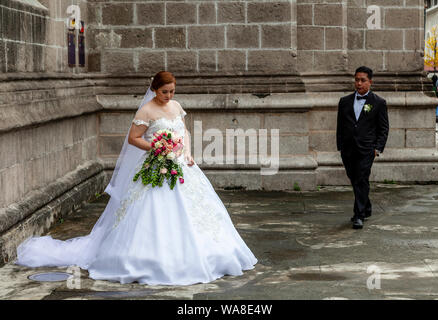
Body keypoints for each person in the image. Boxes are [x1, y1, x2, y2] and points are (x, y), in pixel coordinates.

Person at [15, 71, 258, 286]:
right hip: (156, 163)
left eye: (172, 91)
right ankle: (146, 258)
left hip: (181, 163)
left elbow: (183, 131)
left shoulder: (176, 106)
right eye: (165, 92)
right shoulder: (146, 110)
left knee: (199, 209)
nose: (169, 96)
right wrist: (157, 147)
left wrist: (187, 153)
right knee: (150, 209)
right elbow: (133, 139)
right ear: (154, 89)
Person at [336, 66, 389, 229]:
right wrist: (340, 146)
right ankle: (366, 206)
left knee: (360, 178)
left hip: (367, 149)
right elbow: (340, 125)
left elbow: (384, 128)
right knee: (356, 179)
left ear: (370, 82)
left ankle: (358, 215)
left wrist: (377, 148)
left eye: (363, 80)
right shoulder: (344, 101)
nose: (359, 83)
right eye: (357, 80)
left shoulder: (378, 102)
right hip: (348, 149)